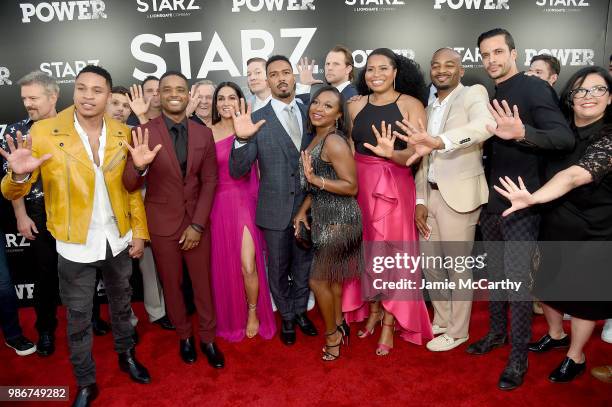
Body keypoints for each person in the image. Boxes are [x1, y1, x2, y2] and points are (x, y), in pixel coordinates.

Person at [1, 65, 151, 407]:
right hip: (74, 242)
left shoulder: (122, 132)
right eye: (81, 88)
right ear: (73, 92)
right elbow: (10, 191)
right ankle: (86, 381)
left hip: (117, 237)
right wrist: (19, 176)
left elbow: (131, 190)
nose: (87, 96)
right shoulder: (44, 131)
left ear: (109, 95)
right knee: (80, 316)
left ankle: (127, 356)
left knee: (122, 303)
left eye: (97, 90)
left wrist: (139, 232)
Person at [466, 28, 575, 391]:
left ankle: (517, 361)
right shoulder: (495, 93)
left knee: (516, 285)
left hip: (523, 205)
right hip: (494, 204)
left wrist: (523, 132)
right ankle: (497, 333)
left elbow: (563, 138)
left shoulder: (533, 88)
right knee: (496, 278)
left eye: (498, 52)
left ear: (514, 53)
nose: (492, 60)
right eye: (485, 54)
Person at [495, 66, 612, 383]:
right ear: (570, 97)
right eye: (580, 91)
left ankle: (576, 355)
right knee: (546, 284)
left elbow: (574, 175)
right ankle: (556, 334)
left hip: (593, 228)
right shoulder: (559, 129)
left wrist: (533, 198)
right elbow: (536, 144)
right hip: (552, 219)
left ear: (610, 97)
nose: (588, 97)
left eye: (598, 89)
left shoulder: (609, 136)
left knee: (583, 294)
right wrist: (522, 134)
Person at [393, 48, 496, 352]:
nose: (442, 70)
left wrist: (440, 141)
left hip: (460, 197)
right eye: (436, 65)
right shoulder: (429, 105)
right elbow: (423, 158)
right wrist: (420, 200)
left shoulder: (473, 94)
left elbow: (483, 127)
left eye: (450, 65)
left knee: (457, 266)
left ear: (461, 70)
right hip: (431, 194)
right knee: (431, 263)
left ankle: (459, 330)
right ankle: (443, 317)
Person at [122, 71, 224, 368]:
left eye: (180, 89)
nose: (174, 94)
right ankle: (185, 337)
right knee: (172, 285)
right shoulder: (143, 132)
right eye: (167, 90)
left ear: (188, 93)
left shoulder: (203, 132)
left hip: (196, 222)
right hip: (162, 223)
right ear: (159, 95)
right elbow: (129, 183)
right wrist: (139, 167)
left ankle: (207, 338)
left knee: (202, 285)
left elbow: (210, 181)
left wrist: (197, 224)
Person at [344, 47, 433, 356]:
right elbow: (350, 149)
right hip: (362, 186)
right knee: (367, 253)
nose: (376, 74)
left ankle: (389, 324)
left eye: (384, 68)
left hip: (395, 183)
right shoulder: (354, 106)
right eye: (370, 69)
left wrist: (392, 154)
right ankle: (374, 311)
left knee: (394, 254)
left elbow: (417, 153)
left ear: (396, 72)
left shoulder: (411, 104)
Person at [229, 55, 319, 346]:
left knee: (304, 265)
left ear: (293, 77)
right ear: (266, 81)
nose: (280, 78)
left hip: (308, 207)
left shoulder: (311, 113)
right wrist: (241, 140)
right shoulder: (255, 119)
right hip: (274, 210)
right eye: (274, 74)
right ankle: (289, 318)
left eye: (285, 72)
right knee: (278, 269)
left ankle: (301, 311)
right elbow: (238, 169)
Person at [293, 85, 362, 360]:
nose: (318, 108)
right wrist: (302, 210)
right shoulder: (314, 138)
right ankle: (339, 327)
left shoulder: (333, 141)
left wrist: (315, 181)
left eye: (328, 106)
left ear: (338, 115)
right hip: (323, 216)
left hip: (341, 219)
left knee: (318, 282)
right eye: (316, 103)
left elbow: (351, 186)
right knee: (331, 283)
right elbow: (319, 184)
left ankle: (332, 335)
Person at [209, 81, 275, 341]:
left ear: (240, 101)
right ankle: (231, 314)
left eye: (231, 98)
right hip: (218, 205)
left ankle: (252, 311)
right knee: (225, 265)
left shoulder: (252, 126)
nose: (226, 103)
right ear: (216, 104)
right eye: (221, 98)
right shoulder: (206, 132)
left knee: (248, 265)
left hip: (245, 200)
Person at [0, 71, 60, 356]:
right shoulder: (15, 132)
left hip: (77, 210)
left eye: (34, 98)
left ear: (53, 96)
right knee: (45, 275)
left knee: (86, 271)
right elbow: (12, 182)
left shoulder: (73, 127)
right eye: (24, 98)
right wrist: (21, 216)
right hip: (37, 212)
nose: (28, 104)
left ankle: (94, 318)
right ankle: (46, 329)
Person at [106, 86, 174, 332]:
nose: (120, 110)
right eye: (115, 103)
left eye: (125, 106)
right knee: (117, 277)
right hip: (107, 217)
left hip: (139, 210)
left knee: (149, 267)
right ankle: (125, 323)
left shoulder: (138, 134)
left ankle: (157, 312)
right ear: (104, 103)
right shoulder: (93, 138)